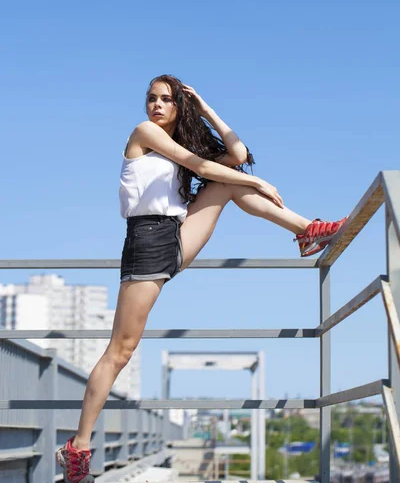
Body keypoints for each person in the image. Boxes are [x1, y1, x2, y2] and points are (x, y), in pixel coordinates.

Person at [56, 75, 346, 482]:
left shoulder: (181, 143)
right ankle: (79, 446)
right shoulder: (143, 134)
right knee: (120, 350)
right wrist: (257, 180)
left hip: (177, 232)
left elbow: (236, 153)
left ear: (179, 106)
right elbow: (199, 165)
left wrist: (206, 107)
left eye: (166, 100)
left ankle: (306, 230)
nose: (156, 106)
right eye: (151, 99)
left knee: (225, 184)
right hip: (145, 242)